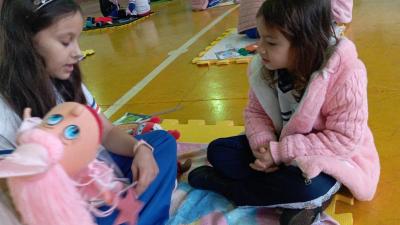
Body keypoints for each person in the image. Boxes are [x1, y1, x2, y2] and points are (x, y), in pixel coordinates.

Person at [188, 0, 380, 224]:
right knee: (219, 151)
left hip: (325, 156)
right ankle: (297, 201)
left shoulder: (346, 74)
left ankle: (228, 188)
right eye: (260, 38)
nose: (260, 48)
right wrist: (264, 146)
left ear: (304, 43)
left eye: (270, 42)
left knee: (307, 186)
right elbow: (255, 113)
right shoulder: (264, 69)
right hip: (280, 146)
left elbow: (343, 139)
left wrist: (279, 153)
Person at [0, 1, 176, 225]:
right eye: (66, 41)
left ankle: (130, 215)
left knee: (161, 143)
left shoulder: (65, 81)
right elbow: (16, 198)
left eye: (77, 39)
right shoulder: (4, 111)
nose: (78, 53)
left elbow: (106, 131)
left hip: (91, 177)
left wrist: (139, 148)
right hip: (58, 203)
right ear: (26, 41)